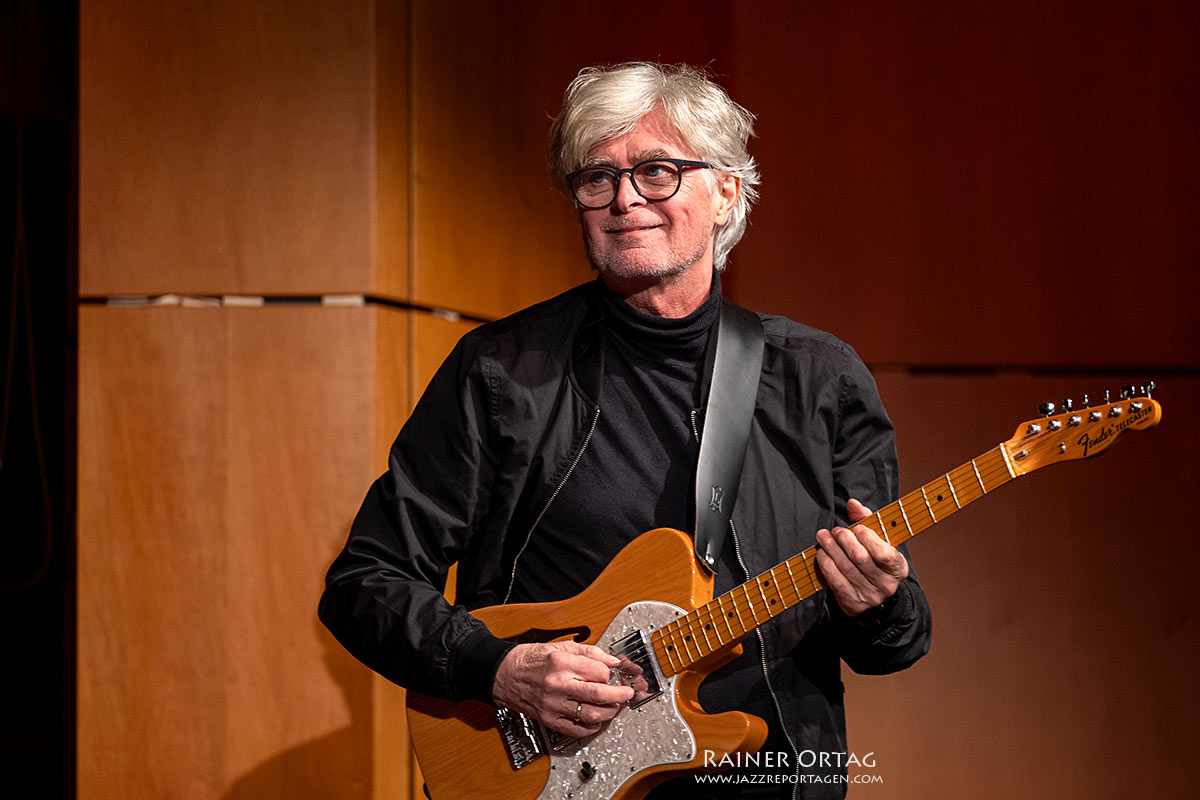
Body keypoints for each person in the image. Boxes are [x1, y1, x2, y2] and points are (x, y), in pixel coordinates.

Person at [319, 62, 932, 799]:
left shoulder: (820, 379)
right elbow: (365, 582)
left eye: (657, 171)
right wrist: (499, 667)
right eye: (597, 179)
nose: (625, 199)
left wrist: (881, 602)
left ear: (727, 189)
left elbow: (895, 644)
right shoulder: (500, 372)